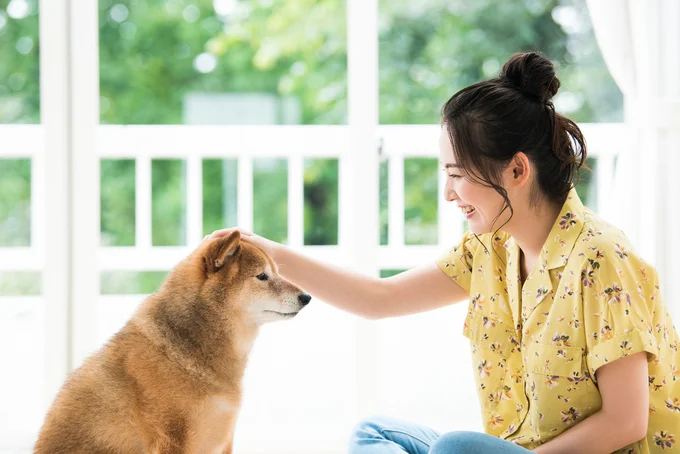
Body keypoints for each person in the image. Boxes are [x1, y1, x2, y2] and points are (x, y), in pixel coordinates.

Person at [209, 52, 680, 453]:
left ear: (517, 169)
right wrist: (265, 251)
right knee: (375, 433)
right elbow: (379, 299)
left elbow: (626, 423)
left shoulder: (601, 259)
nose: (448, 193)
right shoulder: (490, 249)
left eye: (457, 174)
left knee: (454, 447)